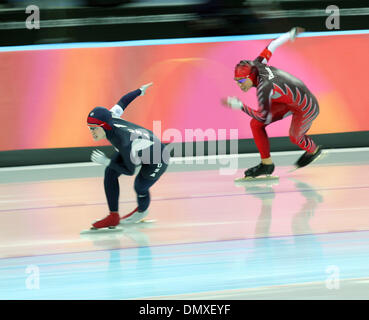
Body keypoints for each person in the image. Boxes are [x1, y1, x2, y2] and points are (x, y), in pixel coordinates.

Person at [222, 27, 322, 179]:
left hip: (306, 106)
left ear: (250, 76)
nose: (240, 85)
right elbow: (272, 45)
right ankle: (266, 164)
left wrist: (241, 106)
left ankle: (314, 150)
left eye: (242, 81)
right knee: (255, 124)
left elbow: (263, 117)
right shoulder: (257, 63)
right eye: (237, 81)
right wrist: (290, 34)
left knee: (295, 137)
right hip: (287, 101)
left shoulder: (264, 87)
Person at [87, 83, 170, 229]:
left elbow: (129, 171)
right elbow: (123, 102)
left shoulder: (123, 141)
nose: (91, 132)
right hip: (142, 149)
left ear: (104, 126)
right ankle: (113, 216)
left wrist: (106, 161)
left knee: (140, 186)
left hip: (158, 158)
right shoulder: (110, 117)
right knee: (111, 172)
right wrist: (139, 91)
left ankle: (142, 211)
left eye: (94, 129)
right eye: (90, 128)